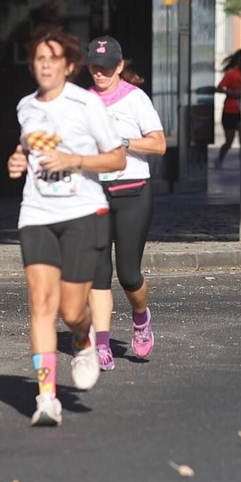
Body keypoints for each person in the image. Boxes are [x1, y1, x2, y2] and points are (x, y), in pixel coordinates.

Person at [7, 26, 126, 426]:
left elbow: (116, 160)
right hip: (36, 214)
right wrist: (18, 160)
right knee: (41, 304)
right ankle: (46, 398)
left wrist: (73, 161)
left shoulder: (86, 105)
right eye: (39, 59)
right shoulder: (25, 107)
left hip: (83, 213)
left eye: (52, 59)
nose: (44, 66)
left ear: (68, 65)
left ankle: (82, 339)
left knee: (72, 309)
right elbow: (28, 146)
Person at [84, 36, 165, 372]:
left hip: (133, 191)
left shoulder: (136, 99)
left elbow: (159, 145)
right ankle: (101, 343)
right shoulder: (81, 101)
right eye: (93, 66)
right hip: (94, 193)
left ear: (119, 67)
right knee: (98, 273)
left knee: (129, 274)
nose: (99, 73)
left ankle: (140, 317)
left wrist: (125, 141)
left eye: (106, 67)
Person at [215, 51, 241, 167]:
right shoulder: (232, 74)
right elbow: (219, 88)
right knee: (229, 141)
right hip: (230, 111)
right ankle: (219, 160)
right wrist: (231, 92)